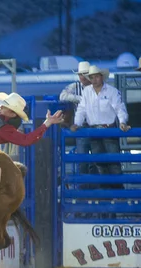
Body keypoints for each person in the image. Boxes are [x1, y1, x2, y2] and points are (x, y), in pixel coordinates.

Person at [71, 65, 131, 189]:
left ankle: (118, 192)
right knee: (100, 164)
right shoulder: (87, 92)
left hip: (108, 129)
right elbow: (82, 109)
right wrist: (77, 123)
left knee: (113, 163)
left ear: (101, 77)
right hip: (94, 130)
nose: (94, 79)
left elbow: (119, 108)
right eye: (92, 77)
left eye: (96, 76)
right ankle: (107, 193)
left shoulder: (111, 91)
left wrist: (122, 121)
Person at [59, 61, 98, 189]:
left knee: (97, 159)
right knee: (83, 159)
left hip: (96, 127)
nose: (82, 76)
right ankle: (84, 189)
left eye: (85, 74)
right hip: (82, 128)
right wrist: (81, 99)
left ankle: (93, 187)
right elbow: (63, 96)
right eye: (80, 74)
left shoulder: (98, 86)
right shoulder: (75, 86)